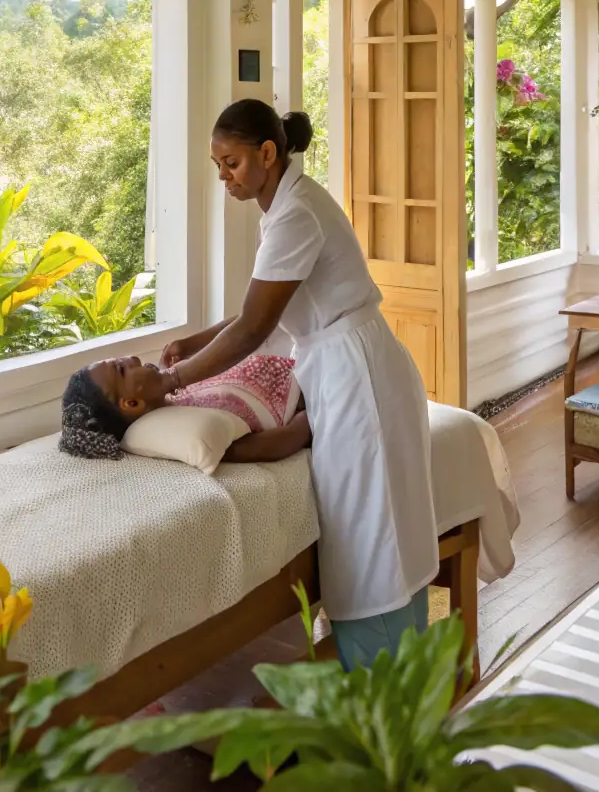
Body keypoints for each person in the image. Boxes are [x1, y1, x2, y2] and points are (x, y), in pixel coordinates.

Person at [164, 99, 438, 671]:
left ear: (268, 153)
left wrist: (174, 380)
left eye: (232, 163)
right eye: (217, 165)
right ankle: (395, 694)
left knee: (372, 536)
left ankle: (385, 698)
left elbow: (255, 327)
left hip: (358, 376)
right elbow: (258, 310)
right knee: (381, 531)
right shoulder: (286, 207)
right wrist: (193, 344)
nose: (223, 177)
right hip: (353, 366)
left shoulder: (295, 216)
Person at [58, 356, 313, 463]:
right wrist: (311, 418)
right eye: (122, 369)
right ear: (132, 404)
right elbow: (262, 447)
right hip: (317, 398)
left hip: (309, 368)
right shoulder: (186, 429)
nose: (133, 359)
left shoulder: (167, 391)